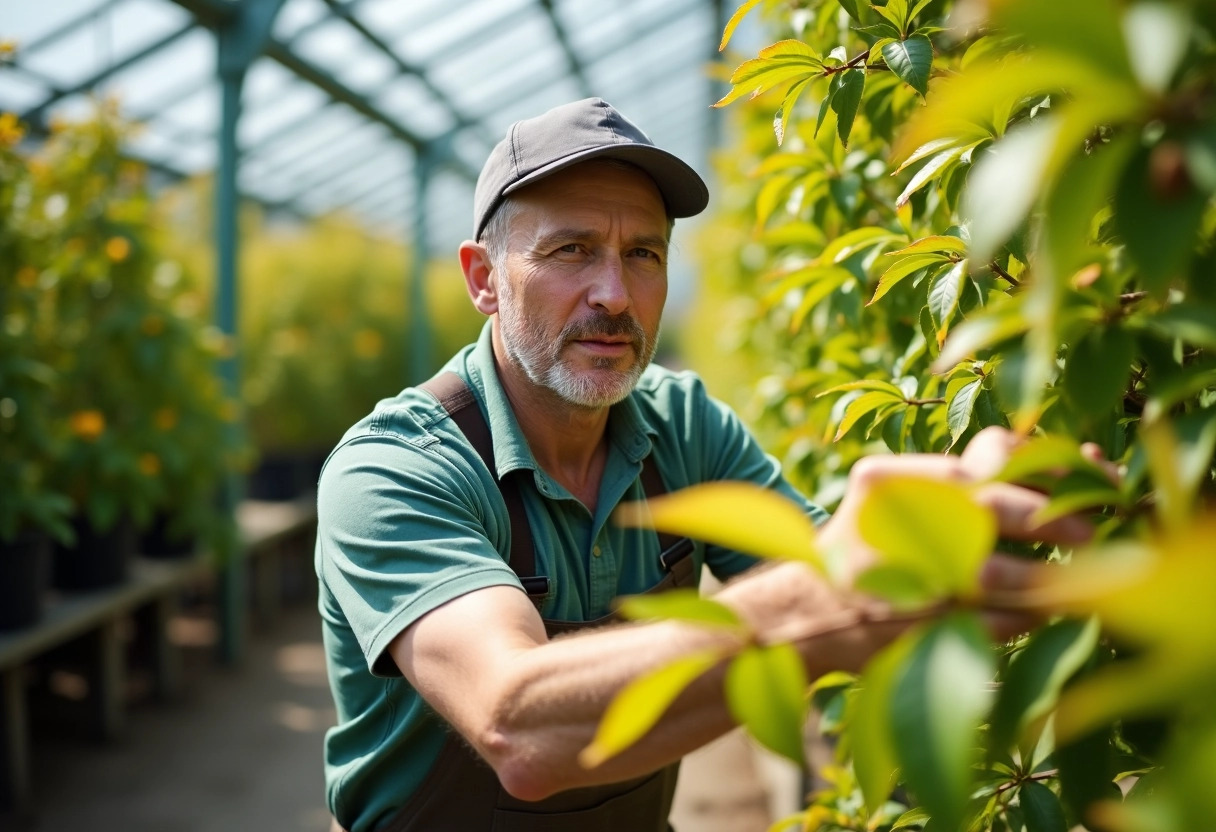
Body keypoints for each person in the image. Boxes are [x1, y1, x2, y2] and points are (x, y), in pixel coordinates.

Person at [315, 98, 1092, 832]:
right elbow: (517, 727)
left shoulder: (682, 428)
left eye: (642, 254)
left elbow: (861, 598)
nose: (614, 294)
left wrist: (964, 539)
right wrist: (820, 600)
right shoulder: (396, 470)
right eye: (572, 250)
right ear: (484, 278)